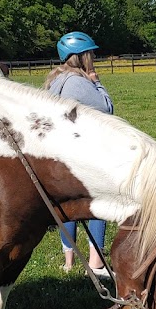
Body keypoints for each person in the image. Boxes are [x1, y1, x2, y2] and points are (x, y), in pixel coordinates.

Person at [45, 31, 114, 277]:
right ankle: (96, 264)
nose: (93, 56)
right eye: (91, 53)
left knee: (68, 207)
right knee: (98, 203)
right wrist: (96, 82)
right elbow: (107, 109)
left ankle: (69, 261)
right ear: (82, 56)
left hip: (61, 155)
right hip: (84, 154)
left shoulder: (56, 80)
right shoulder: (79, 82)